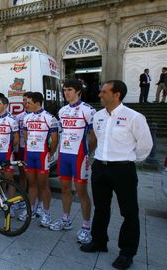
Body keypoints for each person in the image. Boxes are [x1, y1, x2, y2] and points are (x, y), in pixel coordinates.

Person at [80, 80, 153, 270]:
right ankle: (99, 242)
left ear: (117, 94)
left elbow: (145, 146)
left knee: (129, 212)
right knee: (101, 208)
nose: (99, 95)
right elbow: (96, 138)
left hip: (123, 170)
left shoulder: (134, 117)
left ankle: (127, 252)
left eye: (104, 92)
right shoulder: (98, 116)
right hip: (100, 168)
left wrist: (127, 160)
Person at [50, 79, 96, 245]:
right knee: (64, 188)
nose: (66, 93)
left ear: (78, 91)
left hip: (79, 156)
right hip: (64, 155)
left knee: (82, 191)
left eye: (69, 89)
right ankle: (66, 219)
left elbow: (93, 136)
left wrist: (88, 155)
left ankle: (86, 226)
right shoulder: (62, 111)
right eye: (64, 90)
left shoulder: (88, 110)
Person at [23, 92, 59, 227]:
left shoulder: (49, 118)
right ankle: (32, 209)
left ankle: (46, 213)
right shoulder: (27, 118)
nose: (27, 105)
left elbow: (55, 140)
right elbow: (25, 136)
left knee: (43, 185)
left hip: (42, 155)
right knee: (31, 183)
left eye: (29, 103)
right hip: (29, 154)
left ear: (38, 103)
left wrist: (50, 153)